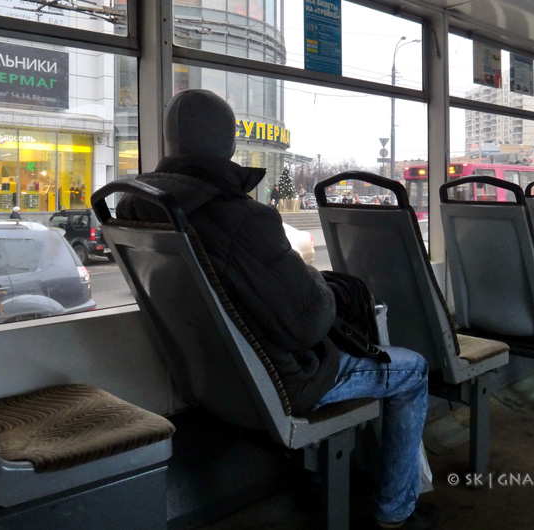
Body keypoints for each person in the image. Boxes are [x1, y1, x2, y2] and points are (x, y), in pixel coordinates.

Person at [116, 89, 434, 530]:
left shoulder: (138, 207)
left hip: (209, 381)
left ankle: (324, 479)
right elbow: (310, 324)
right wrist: (312, 278)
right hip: (284, 384)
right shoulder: (242, 218)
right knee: (412, 369)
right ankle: (396, 509)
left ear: (170, 142)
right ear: (229, 145)